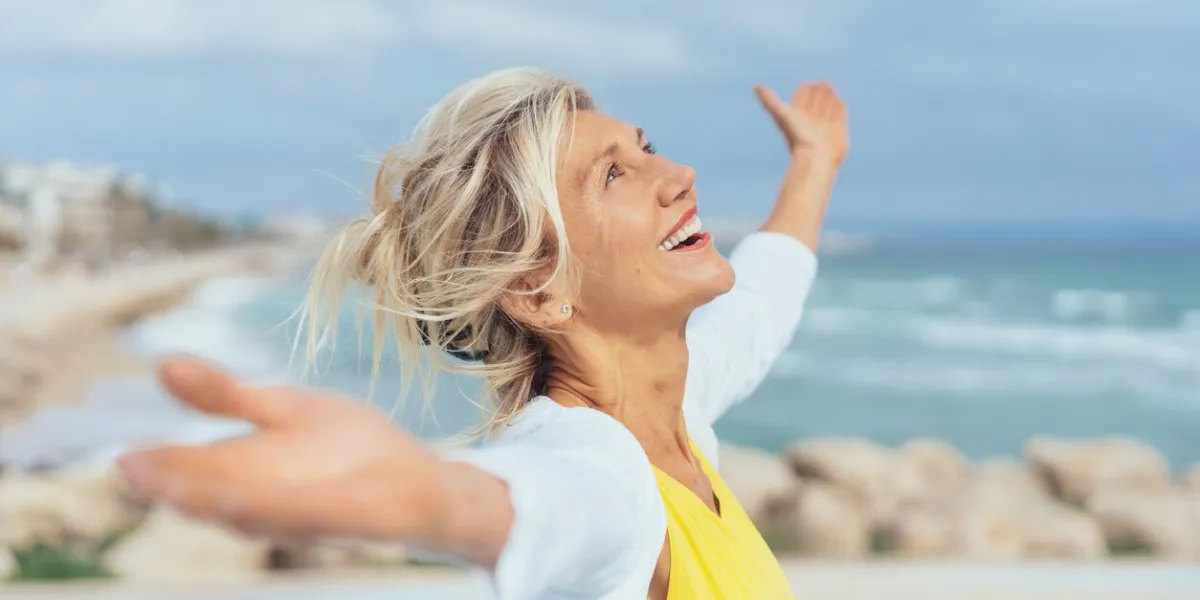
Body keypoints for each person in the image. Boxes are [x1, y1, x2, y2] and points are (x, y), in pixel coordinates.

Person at [118, 67, 848, 599]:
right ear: (540, 289)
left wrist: (813, 162)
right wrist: (416, 495)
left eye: (646, 147)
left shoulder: (674, 415)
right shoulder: (602, 473)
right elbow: (537, 504)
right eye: (613, 176)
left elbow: (762, 297)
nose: (680, 173)